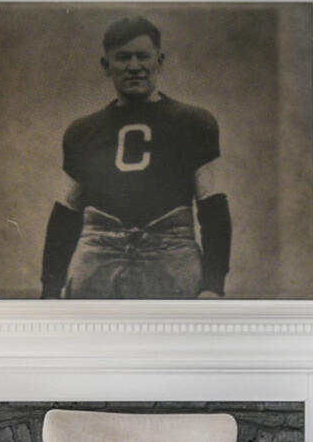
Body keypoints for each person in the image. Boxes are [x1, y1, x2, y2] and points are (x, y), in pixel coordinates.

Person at [41, 15, 230, 297]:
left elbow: (213, 209)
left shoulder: (194, 123)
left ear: (160, 61)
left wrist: (213, 285)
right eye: (122, 58)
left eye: (143, 56)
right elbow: (66, 215)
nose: (134, 67)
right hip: (98, 268)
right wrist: (51, 287)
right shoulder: (82, 131)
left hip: (171, 266)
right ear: (106, 66)